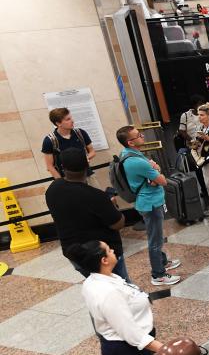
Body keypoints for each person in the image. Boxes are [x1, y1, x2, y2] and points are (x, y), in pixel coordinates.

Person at [45, 148, 130, 280]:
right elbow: (118, 224)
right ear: (87, 165)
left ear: (63, 167)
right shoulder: (96, 196)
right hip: (103, 255)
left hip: (75, 254)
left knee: (97, 289)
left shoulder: (53, 189)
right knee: (121, 288)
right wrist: (112, 205)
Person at [116, 125, 181, 286]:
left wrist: (155, 173)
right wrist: (156, 174)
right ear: (130, 142)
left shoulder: (128, 154)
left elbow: (156, 170)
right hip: (150, 204)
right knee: (155, 240)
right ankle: (158, 274)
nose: (143, 136)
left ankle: (163, 261)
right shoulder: (137, 161)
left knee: (157, 236)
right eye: (138, 135)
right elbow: (163, 180)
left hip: (148, 200)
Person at [43, 107, 95, 179]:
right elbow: (50, 166)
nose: (72, 121)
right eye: (68, 119)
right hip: (66, 179)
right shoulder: (49, 141)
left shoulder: (80, 133)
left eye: (71, 118)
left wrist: (83, 159)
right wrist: (60, 182)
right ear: (58, 123)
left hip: (86, 175)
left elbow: (92, 151)